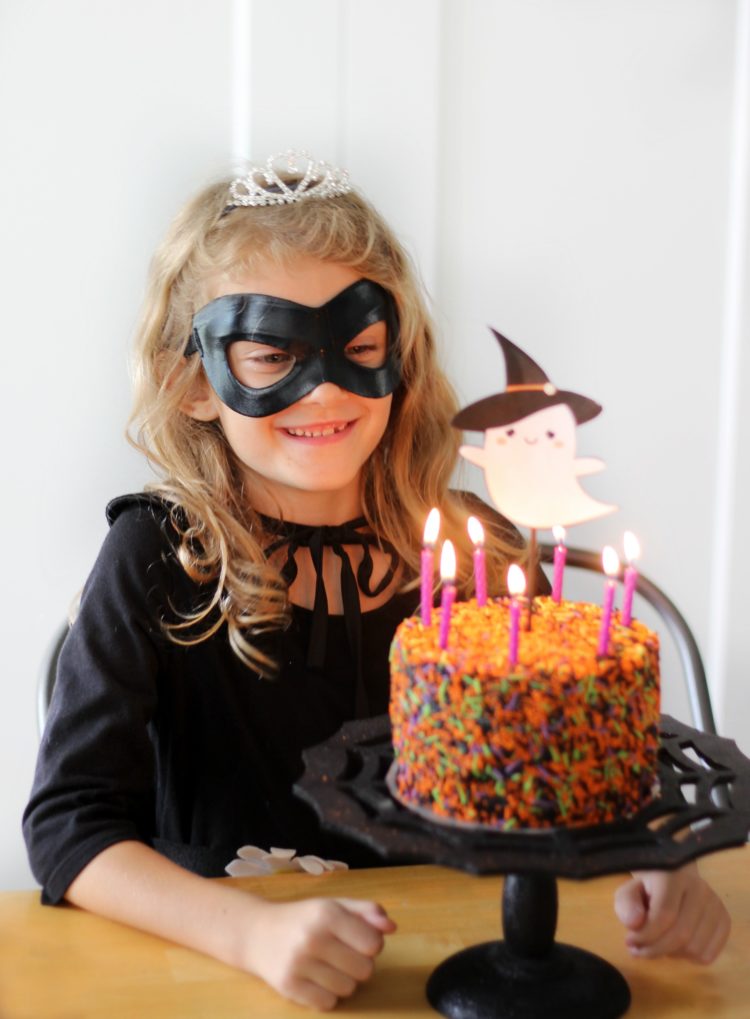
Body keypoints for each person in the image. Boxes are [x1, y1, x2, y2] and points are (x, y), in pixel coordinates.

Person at [23, 152, 730, 1010]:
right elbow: (70, 827)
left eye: (357, 346)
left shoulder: (481, 555)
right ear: (192, 382)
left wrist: (653, 861)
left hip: (471, 965)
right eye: (271, 354)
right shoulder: (156, 559)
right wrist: (251, 932)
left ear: (399, 356)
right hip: (231, 976)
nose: (323, 389)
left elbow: (551, 767)